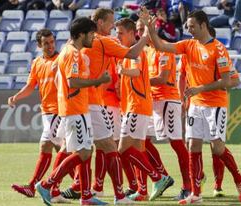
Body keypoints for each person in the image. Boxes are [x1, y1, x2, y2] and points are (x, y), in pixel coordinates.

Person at [140, 9, 241, 204]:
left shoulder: (218, 49)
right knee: (192, 144)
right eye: (187, 26)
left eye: (191, 26)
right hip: (196, 104)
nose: (188, 29)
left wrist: (200, 88)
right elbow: (162, 45)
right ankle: (195, 193)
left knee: (217, 148)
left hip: (215, 104)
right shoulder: (188, 45)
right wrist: (150, 28)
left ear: (203, 25)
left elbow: (226, 81)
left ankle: (239, 180)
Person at [58, 8, 148, 204]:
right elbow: (133, 53)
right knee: (106, 147)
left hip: (78, 103)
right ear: (99, 23)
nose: (113, 27)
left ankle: (85, 192)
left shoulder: (70, 46)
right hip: (92, 103)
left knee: (80, 149)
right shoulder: (102, 42)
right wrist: (147, 35)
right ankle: (52, 185)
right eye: (110, 23)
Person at [35, 17, 111, 206]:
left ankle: (86, 197)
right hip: (74, 109)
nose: (93, 38)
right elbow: (72, 81)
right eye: (91, 34)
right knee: (84, 152)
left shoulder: (70, 52)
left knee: (85, 150)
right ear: (81, 34)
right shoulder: (73, 54)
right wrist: (97, 80)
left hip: (76, 108)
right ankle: (47, 184)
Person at [115, 17, 174, 202]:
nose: (118, 37)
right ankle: (142, 190)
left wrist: (121, 71)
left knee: (123, 149)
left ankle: (158, 177)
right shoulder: (130, 51)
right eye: (117, 33)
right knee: (139, 150)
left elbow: (136, 71)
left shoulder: (136, 52)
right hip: (135, 106)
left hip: (137, 105)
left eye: (121, 33)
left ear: (132, 34)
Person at [8, 28, 69, 204]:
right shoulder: (37, 63)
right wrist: (16, 97)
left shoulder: (61, 59)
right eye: (46, 43)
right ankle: (59, 190)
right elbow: (30, 86)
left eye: (52, 42)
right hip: (46, 112)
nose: (50, 46)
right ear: (38, 45)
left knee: (46, 145)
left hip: (60, 111)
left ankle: (32, 185)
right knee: (63, 152)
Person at [136, 19, 191, 200]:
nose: (140, 33)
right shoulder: (146, 51)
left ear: (153, 28)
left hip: (167, 99)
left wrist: (137, 82)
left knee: (176, 143)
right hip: (152, 101)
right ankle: (162, 176)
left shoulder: (164, 48)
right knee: (141, 141)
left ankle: (189, 186)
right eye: (138, 30)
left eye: (143, 29)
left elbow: (162, 77)